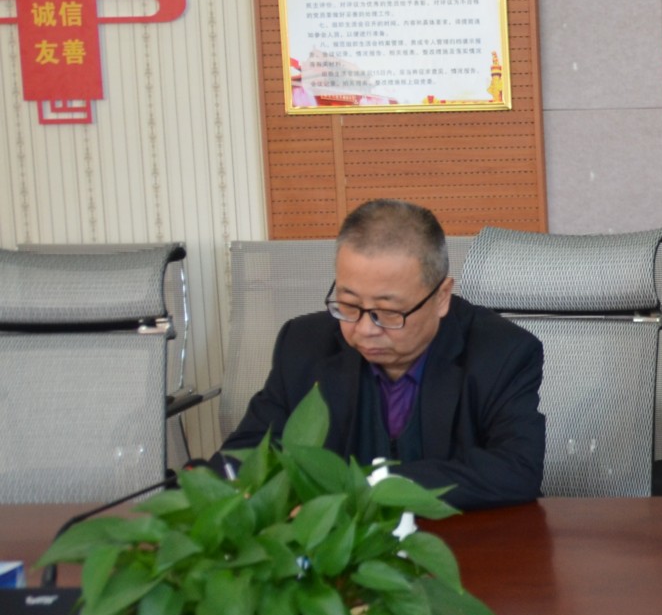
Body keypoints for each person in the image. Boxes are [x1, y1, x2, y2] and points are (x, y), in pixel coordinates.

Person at [222, 199, 545, 509]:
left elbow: (515, 470)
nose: (364, 329)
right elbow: (248, 453)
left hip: (460, 537)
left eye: (388, 312)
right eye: (349, 305)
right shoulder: (303, 344)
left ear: (441, 297)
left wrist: (369, 486)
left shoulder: (502, 352)